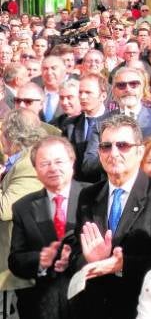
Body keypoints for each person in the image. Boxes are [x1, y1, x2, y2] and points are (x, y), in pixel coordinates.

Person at [69, 115, 151, 319]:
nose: (113, 153)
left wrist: (122, 265)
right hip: (93, 308)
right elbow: (76, 251)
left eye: (122, 146)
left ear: (140, 152)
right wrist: (90, 260)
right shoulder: (88, 195)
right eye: (106, 146)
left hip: (141, 307)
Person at [8, 136, 88, 319]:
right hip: (41, 304)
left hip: (88, 301)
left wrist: (75, 258)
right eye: (44, 163)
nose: (53, 168)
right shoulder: (23, 207)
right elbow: (16, 259)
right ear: (35, 169)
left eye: (59, 161)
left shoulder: (95, 196)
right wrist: (41, 259)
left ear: (72, 161)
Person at [0, 110, 49, 312]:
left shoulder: (28, 165)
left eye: (3, 133)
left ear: (13, 135)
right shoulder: (18, 161)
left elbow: (6, 209)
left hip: (15, 262)